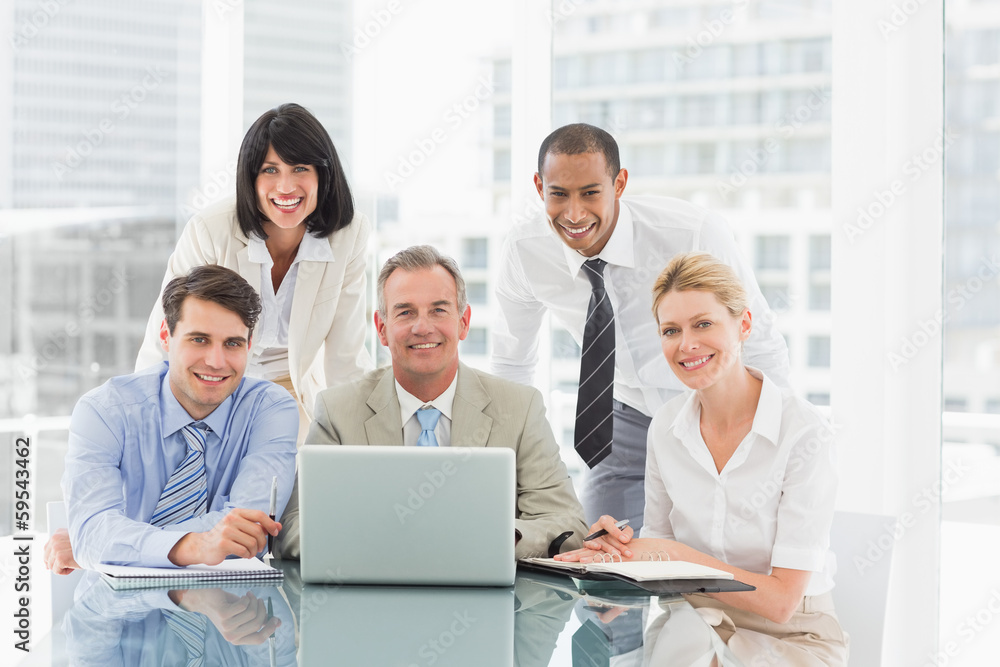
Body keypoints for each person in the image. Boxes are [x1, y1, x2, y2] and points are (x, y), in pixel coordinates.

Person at [491, 122, 790, 533]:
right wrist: (504, 473)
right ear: (540, 188)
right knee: (600, 563)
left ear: (619, 183)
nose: (574, 214)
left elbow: (762, 343)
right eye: (559, 194)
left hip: (708, 411)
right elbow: (511, 365)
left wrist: (774, 449)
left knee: (701, 572)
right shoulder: (525, 253)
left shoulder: (692, 233)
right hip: (621, 422)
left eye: (591, 193)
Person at [556, 252, 847, 665]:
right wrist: (620, 559)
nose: (686, 344)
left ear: (743, 324)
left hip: (792, 636)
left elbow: (782, 600)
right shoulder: (667, 427)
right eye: (671, 330)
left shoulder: (804, 432)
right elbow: (661, 551)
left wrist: (675, 559)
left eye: (703, 324)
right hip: (692, 624)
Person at [274, 245, 587, 560]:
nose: (422, 327)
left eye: (439, 310)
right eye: (405, 312)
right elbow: (294, 528)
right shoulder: (337, 411)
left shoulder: (520, 407)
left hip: (488, 600)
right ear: (381, 329)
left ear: (463, 322)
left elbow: (567, 524)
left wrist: (495, 536)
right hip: (373, 599)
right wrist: (388, 541)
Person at [136, 103, 372, 442]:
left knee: (292, 486)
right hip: (216, 382)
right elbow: (166, 335)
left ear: (323, 174)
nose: (286, 187)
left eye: (300, 168)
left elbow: (344, 355)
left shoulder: (349, 234)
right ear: (250, 177)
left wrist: (353, 444)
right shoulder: (210, 231)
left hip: (296, 393)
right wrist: (146, 426)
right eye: (270, 170)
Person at [45, 265, 298, 573]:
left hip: (233, 610)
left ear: (249, 342)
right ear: (166, 334)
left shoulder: (271, 410)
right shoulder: (104, 411)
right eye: (199, 340)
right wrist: (197, 545)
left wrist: (116, 544)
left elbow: (248, 537)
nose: (216, 362)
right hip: (119, 610)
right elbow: (93, 534)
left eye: (233, 343)